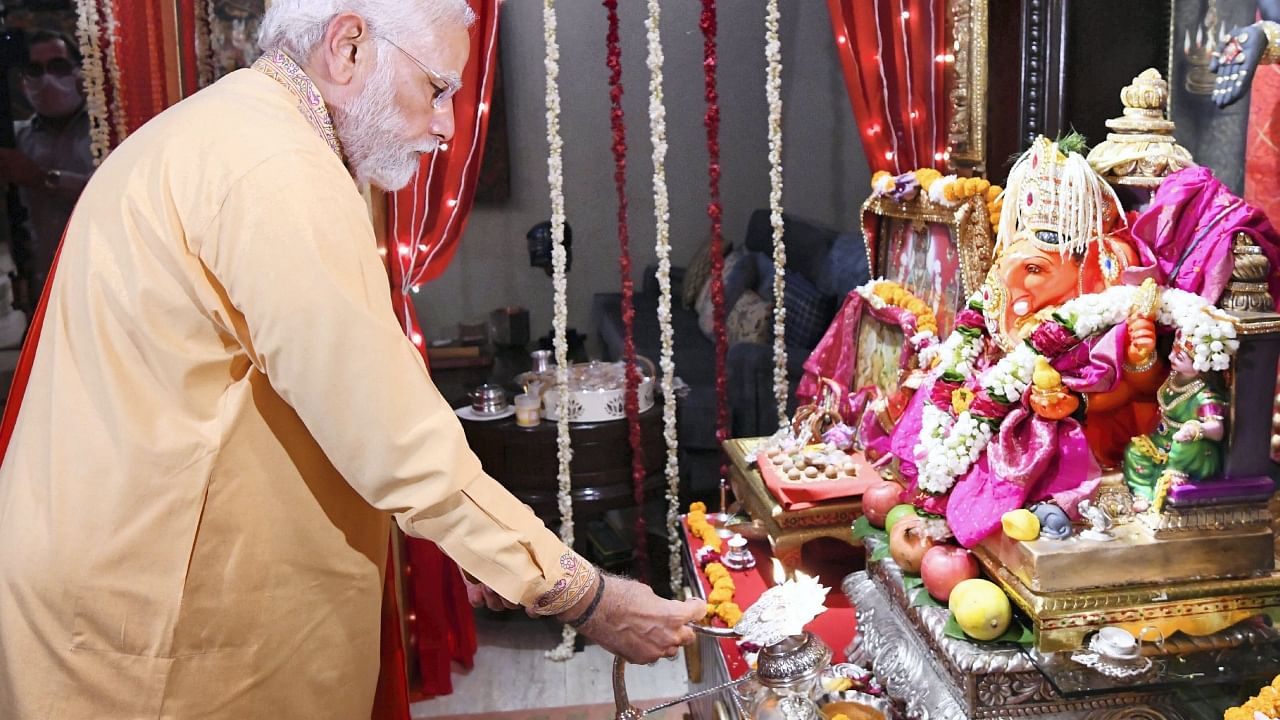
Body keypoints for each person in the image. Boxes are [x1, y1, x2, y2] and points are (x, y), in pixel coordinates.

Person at [0, 2, 704, 718]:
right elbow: (390, 435)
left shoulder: (229, 129)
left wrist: (477, 543)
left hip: (120, 567)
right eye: (437, 89)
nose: (445, 125)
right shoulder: (274, 169)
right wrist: (583, 594)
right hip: (154, 612)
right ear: (348, 46)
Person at [0, 30, 94, 307]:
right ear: (22, 81)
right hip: (43, 286)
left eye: (58, 66)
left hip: (97, 279)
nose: (47, 78)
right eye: (35, 70)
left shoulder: (105, 130)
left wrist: (42, 178)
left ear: (80, 72)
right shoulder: (18, 138)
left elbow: (111, 193)